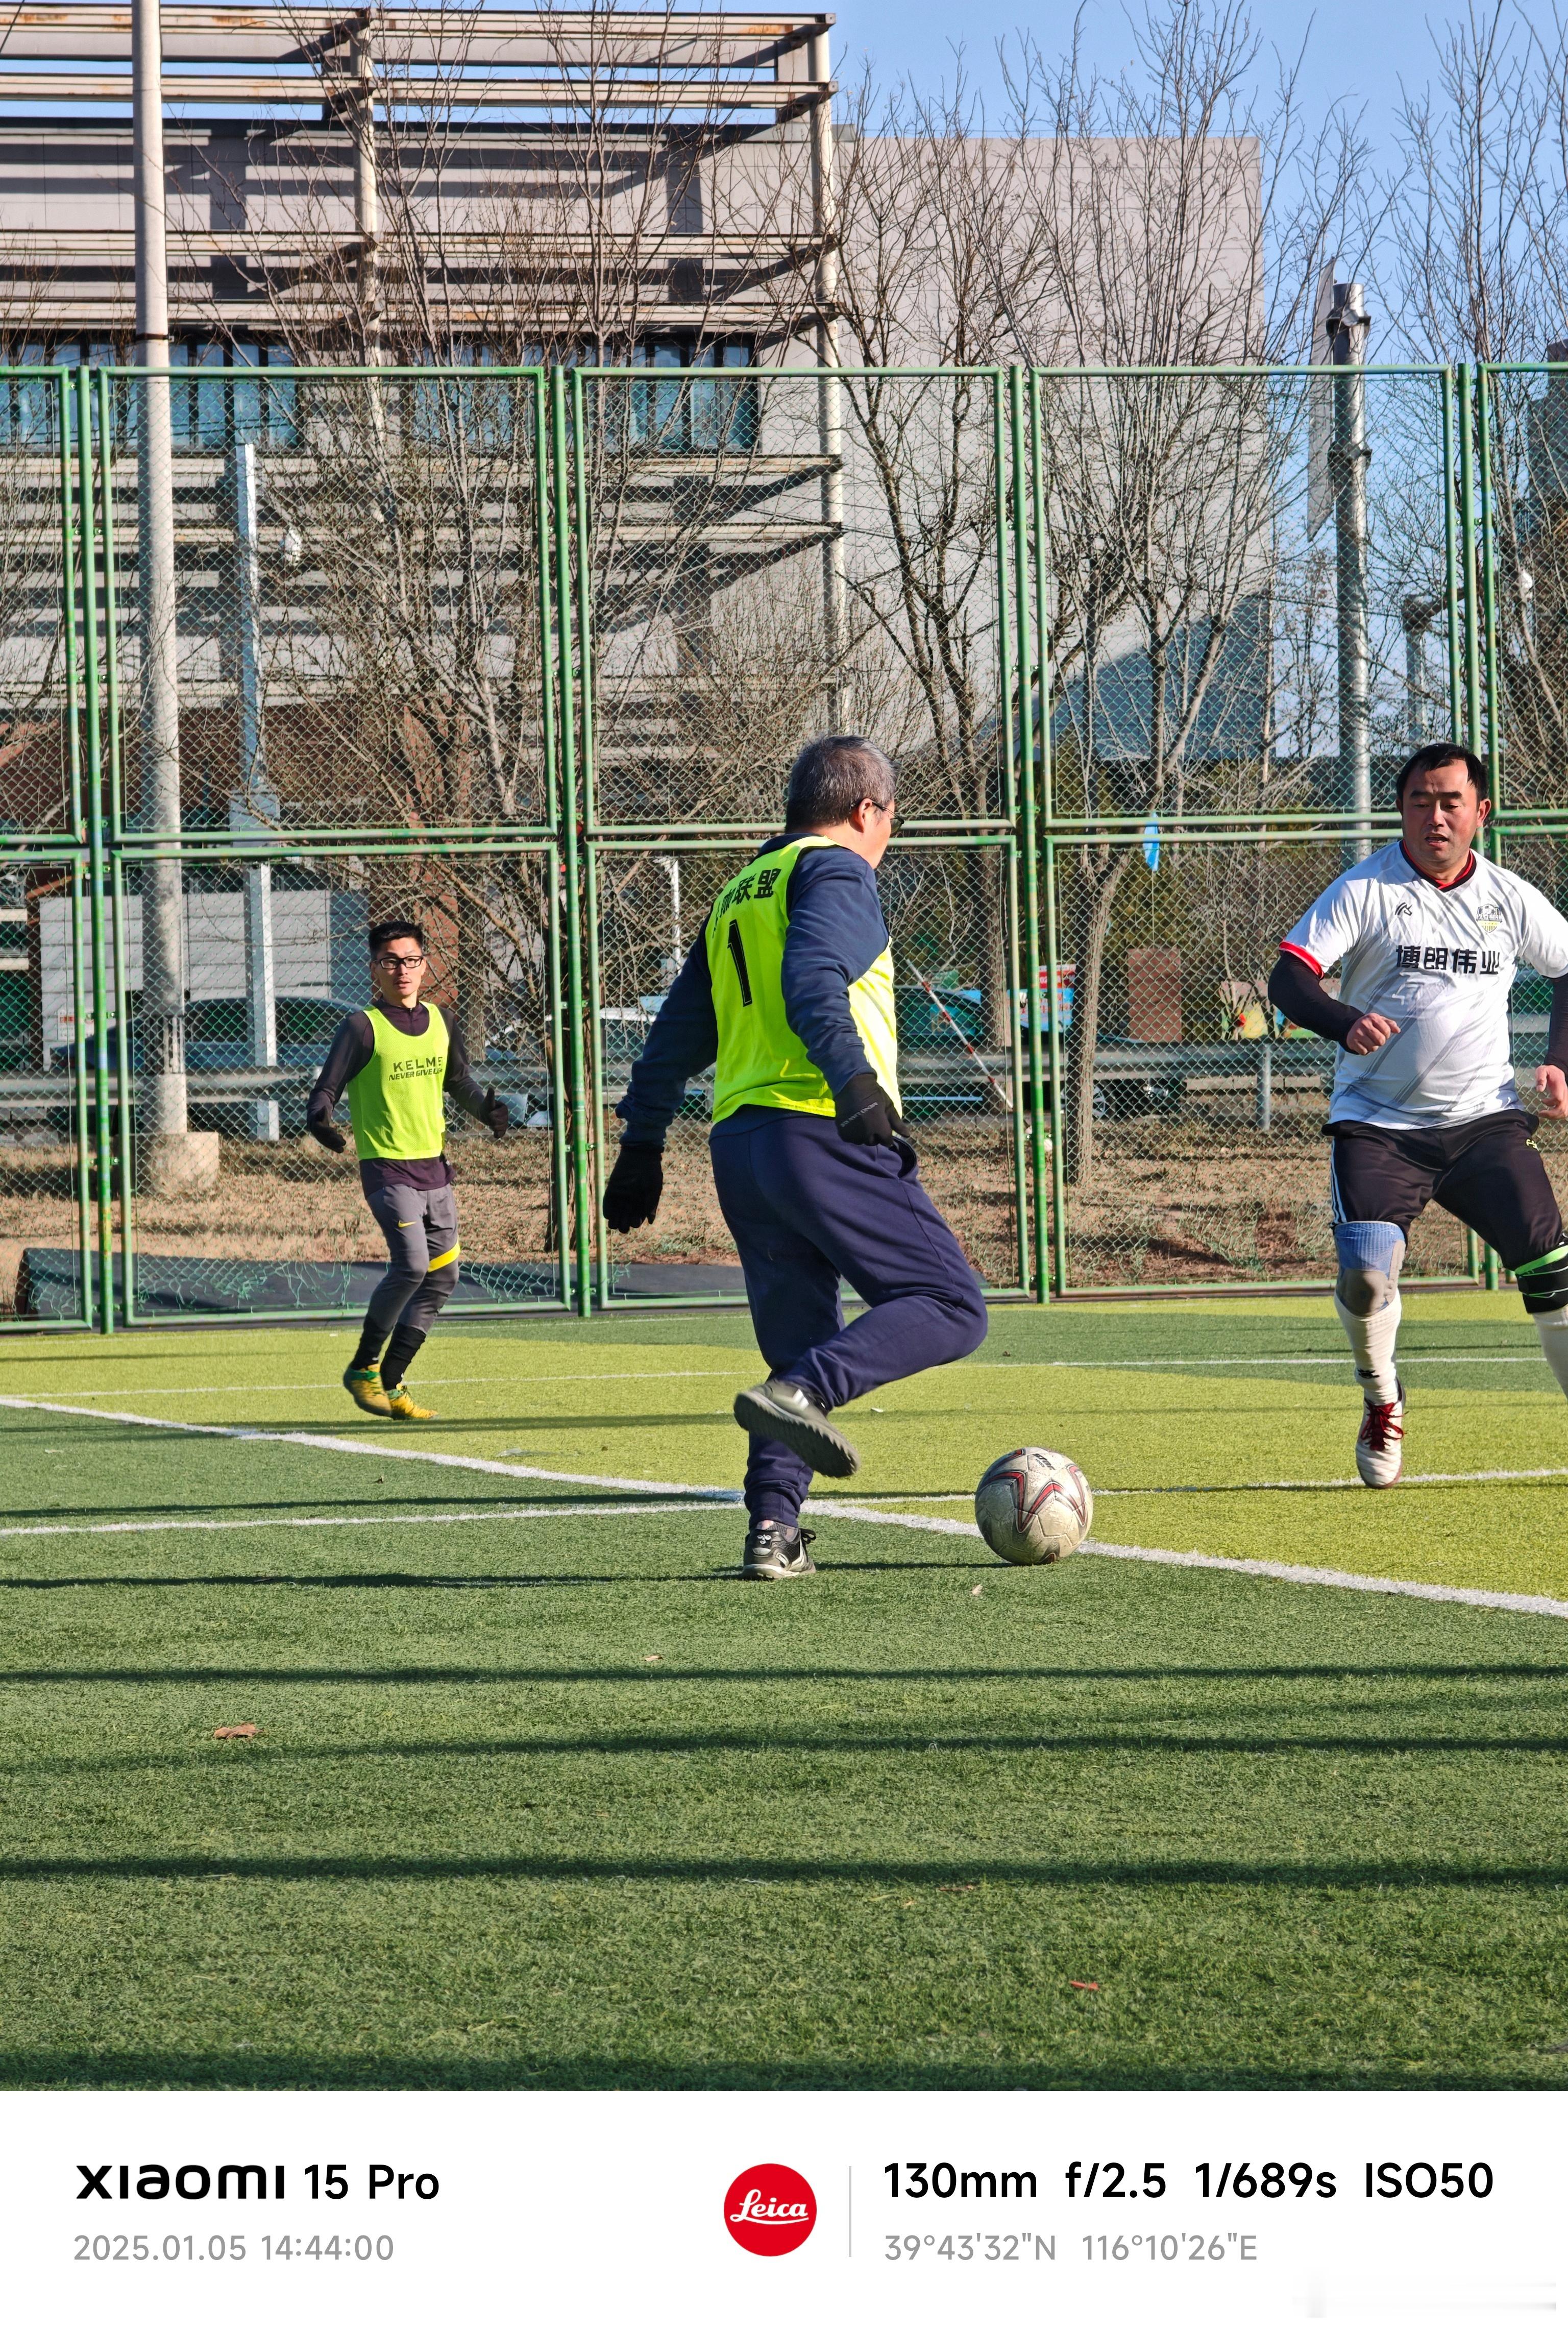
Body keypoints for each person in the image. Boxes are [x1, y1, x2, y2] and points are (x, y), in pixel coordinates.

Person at [602, 734, 989, 1579]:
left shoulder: (743, 888)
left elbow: (675, 1034)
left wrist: (641, 1141)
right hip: (820, 1129)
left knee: (800, 1342)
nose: (889, 833)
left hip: (743, 1148)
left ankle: (773, 1530)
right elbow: (813, 976)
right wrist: (853, 1081)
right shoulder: (837, 871)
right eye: (891, 817)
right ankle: (804, 1396)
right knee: (949, 1304)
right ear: (865, 811)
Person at [1267, 741, 1568, 1486]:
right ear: (1402, 808)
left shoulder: (1507, 895)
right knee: (1369, 1280)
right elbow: (1289, 978)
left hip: (1485, 1125)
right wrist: (1343, 1022)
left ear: (1481, 813)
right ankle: (1382, 1397)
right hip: (1377, 1126)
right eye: (1421, 801)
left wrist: (1562, 1059)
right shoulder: (1365, 888)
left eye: (1451, 802)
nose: (1436, 817)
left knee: (1555, 1275)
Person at [307, 918, 508, 1420]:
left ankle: (392, 1382)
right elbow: (325, 1091)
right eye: (391, 961)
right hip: (387, 1168)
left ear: (426, 964)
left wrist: (485, 1110)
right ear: (375, 968)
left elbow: (458, 1081)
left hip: (435, 1170)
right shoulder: (361, 1027)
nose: (403, 970)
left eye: (412, 960)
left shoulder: (442, 1021)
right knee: (413, 1265)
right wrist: (321, 1120)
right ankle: (363, 1367)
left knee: (444, 1276)